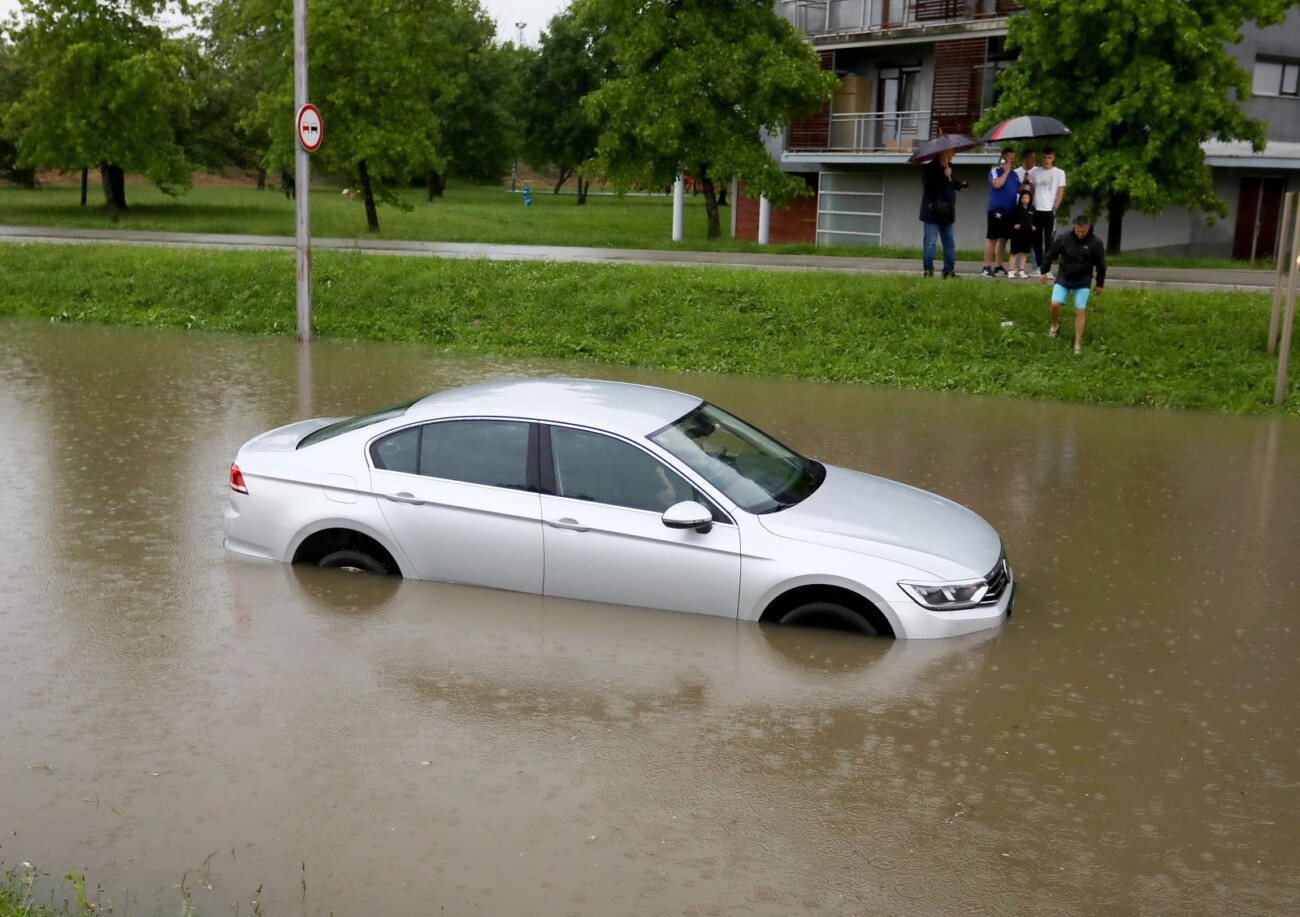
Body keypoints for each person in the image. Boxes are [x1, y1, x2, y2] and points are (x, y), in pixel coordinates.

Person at [1040, 215, 1106, 355]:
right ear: (1074, 227)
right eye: (1077, 231)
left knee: (1080, 310)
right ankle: (1054, 325)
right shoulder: (1063, 238)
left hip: (1083, 280)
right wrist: (1044, 271)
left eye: (1083, 231)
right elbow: (1051, 254)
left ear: (1088, 229)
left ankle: (1077, 344)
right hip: (1064, 276)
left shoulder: (1096, 243)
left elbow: (1101, 265)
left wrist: (1100, 283)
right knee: (1054, 304)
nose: (1080, 234)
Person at [919, 147, 966, 278]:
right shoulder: (930, 168)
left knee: (949, 243)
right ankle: (928, 272)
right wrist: (942, 174)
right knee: (930, 243)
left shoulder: (949, 166)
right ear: (943, 152)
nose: (954, 154)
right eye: (951, 151)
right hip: (932, 212)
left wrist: (960, 184)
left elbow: (951, 183)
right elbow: (928, 185)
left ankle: (949, 271)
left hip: (947, 212)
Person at [1030, 148, 1067, 277]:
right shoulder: (1035, 172)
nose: (1047, 160)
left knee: (1049, 241)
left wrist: (1054, 209)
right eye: (1045, 157)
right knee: (1037, 240)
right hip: (1037, 210)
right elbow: (1032, 190)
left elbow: (1060, 192)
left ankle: (1047, 268)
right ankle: (1039, 267)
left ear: (1053, 158)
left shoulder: (1059, 173)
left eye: (1049, 158)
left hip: (1049, 211)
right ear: (1042, 157)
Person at [982, 148, 1018, 278]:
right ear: (1003, 158)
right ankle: (986, 266)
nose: (1011, 161)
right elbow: (997, 184)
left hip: (1010, 210)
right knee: (993, 238)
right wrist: (1006, 170)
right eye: (1009, 159)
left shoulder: (1015, 175)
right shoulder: (995, 171)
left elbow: (1017, 190)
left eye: (1013, 159)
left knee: (1004, 239)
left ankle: (998, 266)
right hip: (996, 209)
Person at [1009, 189, 1036, 279]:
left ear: (1030, 199)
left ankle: (1022, 270)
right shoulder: (1016, 208)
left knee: (1024, 253)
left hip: (1027, 233)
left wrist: (1033, 226)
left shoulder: (1032, 209)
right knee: (1014, 252)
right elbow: (1011, 219)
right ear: (1020, 199)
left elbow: (1034, 220)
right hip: (1017, 233)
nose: (1025, 199)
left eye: (1027, 198)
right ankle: (1011, 270)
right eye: (1023, 198)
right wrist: (1015, 224)